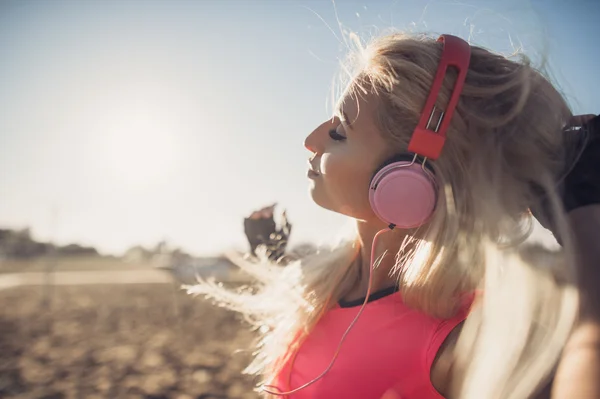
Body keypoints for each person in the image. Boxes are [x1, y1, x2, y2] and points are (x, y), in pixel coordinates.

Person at [188, 32, 599, 398]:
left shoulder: (465, 337)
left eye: (339, 132)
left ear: (408, 180)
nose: (310, 140)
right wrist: (269, 252)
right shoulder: (333, 281)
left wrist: (586, 220)